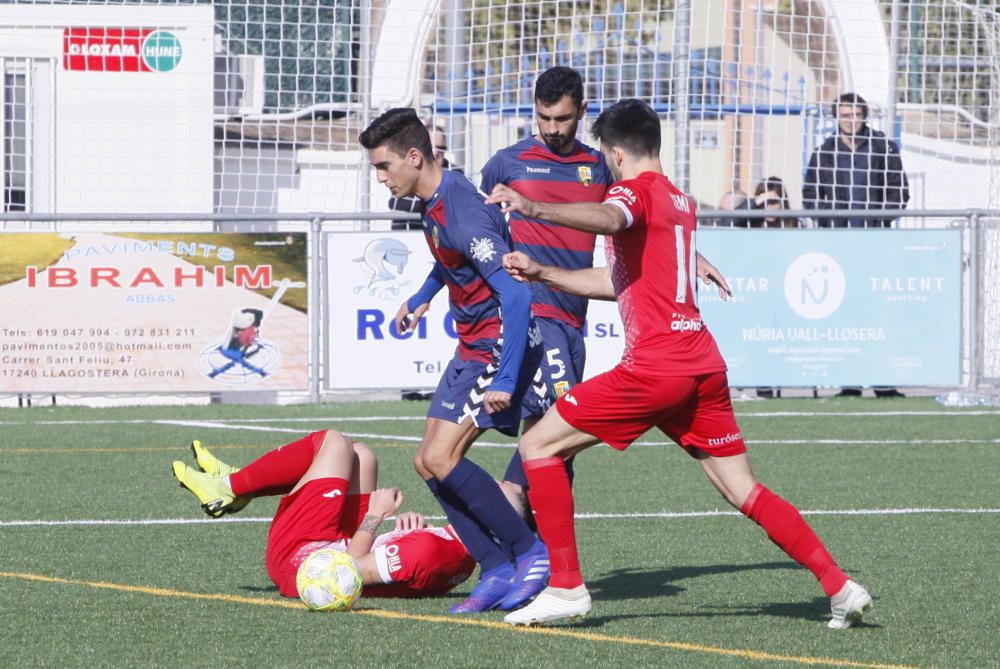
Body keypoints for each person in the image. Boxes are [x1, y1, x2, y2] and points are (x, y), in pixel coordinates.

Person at [486, 99, 872, 630]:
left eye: (606, 154)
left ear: (616, 153)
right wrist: (543, 272)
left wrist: (534, 208)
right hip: (701, 366)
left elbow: (610, 215)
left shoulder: (630, 192)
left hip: (656, 368)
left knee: (536, 444)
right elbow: (618, 282)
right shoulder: (679, 200)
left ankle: (567, 587)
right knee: (743, 489)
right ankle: (840, 585)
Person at [480, 66, 731, 522]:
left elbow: (646, 221)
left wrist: (691, 259)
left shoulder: (601, 165)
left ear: (582, 111)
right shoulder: (505, 162)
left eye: (561, 119)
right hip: (530, 312)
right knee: (558, 423)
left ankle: (535, 547)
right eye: (543, 119)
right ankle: (510, 503)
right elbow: (481, 230)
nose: (552, 129)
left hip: (573, 313)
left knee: (555, 439)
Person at [358, 107, 551, 614]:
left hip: (498, 342)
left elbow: (517, 297)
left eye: (383, 166)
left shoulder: (462, 208)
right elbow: (450, 259)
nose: (381, 177)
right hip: (472, 343)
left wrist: (506, 378)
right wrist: (423, 295)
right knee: (426, 460)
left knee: (444, 457)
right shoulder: (434, 201)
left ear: (414, 156)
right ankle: (494, 566)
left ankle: (530, 553)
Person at [171, 432, 476, 600]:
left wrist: (375, 515)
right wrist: (404, 534)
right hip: (330, 547)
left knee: (334, 442)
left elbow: (349, 568)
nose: (487, 488)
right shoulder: (462, 552)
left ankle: (228, 487)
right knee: (362, 455)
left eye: (497, 491)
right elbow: (410, 570)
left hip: (301, 561)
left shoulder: (434, 551)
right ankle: (241, 485)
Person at [803, 92, 909, 398]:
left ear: (865, 116)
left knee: (878, 312)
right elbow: (811, 195)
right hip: (839, 244)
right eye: (845, 115)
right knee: (844, 313)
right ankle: (849, 382)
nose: (851, 121)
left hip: (875, 242)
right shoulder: (825, 151)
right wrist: (827, 225)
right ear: (837, 117)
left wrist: (881, 220)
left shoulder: (883, 147)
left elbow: (899, 191)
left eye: (856, 115)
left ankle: (883, 382)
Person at [389, 123, 456, 231]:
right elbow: (399, 204)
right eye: (430, 147)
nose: (435, 152)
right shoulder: (406, 172)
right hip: (408, 232)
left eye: (440, 148)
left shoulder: (456, 173)